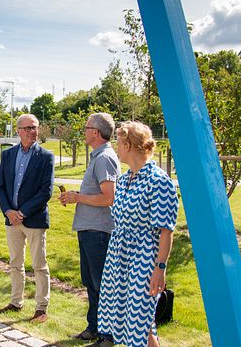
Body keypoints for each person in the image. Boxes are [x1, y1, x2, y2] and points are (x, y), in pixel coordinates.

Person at [95, 121, 178, 347]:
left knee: (140, 318)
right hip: (119, 255)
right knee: (134, 322)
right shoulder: (123, 181)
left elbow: (166, 230)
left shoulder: (159, 181)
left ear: (129, 145)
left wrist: (160, 267)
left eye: (119, 144)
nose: (116, 148)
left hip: (144, 257)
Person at [58, 112, 120, 342]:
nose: (83, 131)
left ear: (96, 132)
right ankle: (94, 328)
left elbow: (109, 198)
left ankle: (106, 335)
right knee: (91, 283)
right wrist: (75, 197)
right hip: (88, 229)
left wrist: (77, 197)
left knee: (101, 285)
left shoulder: (104, 158)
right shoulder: (97, 156)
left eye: (86, 128)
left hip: (99, 231)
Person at [0, 114, 54, 323]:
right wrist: (9, 212)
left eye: (35, 127)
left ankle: (41, 307)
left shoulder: (46, 156)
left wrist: (23, 212)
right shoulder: (8, 155)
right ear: (18, 131)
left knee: (39, 264)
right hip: (12, 220)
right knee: (15, 263)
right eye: (28, 128)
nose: (32, 131)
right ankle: (15, 302)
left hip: (34, 219)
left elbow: (45, 191)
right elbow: (1, 187)